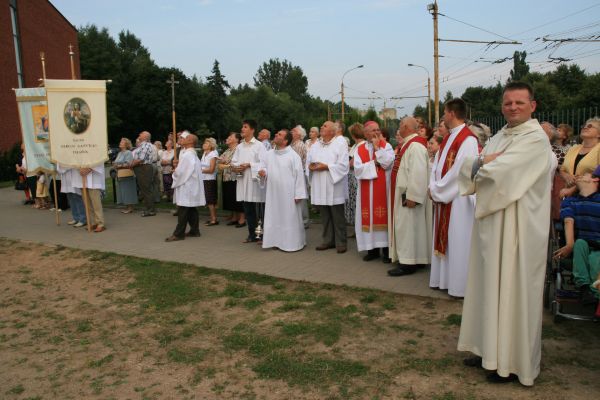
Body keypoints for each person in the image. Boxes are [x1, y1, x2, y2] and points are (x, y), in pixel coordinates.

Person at [457, 81, 554, 386]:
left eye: (519, 103)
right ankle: (487, 350)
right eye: (508, 103)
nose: (512, 107)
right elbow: (475, 166)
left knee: (513, 290)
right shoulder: (500, 135)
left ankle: (510, 363)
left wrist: (483, 162)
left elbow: (499, 173)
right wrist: (484, 161)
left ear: (533, 105)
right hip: (493, 224)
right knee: (487, 287)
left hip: (518, 229)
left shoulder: (535, 139)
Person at [428, 98, 479, 298]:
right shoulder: (449, 137)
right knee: (446, 239)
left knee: (457, 240)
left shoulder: (468, 139)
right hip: (444, 196)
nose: (443, 117)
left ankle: (458, 286)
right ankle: (443, 280)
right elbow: (437, 165)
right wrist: (433, 185)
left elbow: (461, 172)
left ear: (451, 113)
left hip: (458, 199)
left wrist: (437, 190)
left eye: (444, 113)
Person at [388, 117, 431, 276]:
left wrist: (413, 196)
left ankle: (407, 263)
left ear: (405, 126)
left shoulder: (415, 146)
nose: (398, 128)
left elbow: (418, 172)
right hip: (404, 194)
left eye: (400, 125)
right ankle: (415, 259)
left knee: (408, 229)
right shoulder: (409, 144)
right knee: (411, 229)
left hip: (409, 197)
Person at [554, 166, 600, 306]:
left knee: (594, 258)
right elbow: (568, 221)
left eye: (585, 175)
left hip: (598, 245)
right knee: (580, 243)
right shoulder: (570, 202)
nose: (578, 175)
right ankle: (585, 288)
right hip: (581, 245)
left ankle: (593, 292)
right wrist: (569, 244)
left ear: (595, 180)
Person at [259, 129, 307, 252]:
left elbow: (299, 176)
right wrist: (263, 172)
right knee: (274, 216)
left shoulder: (293, 156)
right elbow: (263, 167)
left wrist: (299, 194)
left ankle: (293, 243)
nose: (275, 134)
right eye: (277, 133)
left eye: (279, 134)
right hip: (273, 193)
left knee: (289, 217)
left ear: (285, 141)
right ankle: (275, 241)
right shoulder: (269, 154)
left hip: (289, 194)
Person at [353, 121, 394, 263]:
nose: (377, 132)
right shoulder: (360, 149)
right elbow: (357, 170)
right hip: (366, 191)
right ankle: (372, 250)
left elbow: (388, 163)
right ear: (366, 133)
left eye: (378, 129)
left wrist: (378, 149)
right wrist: (374, 163)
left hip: (383, 191)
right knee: (368, 219)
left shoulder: (386, 146)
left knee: (385, 219)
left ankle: (387, 251)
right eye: (373, 130)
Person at [306, 120, 349, 253]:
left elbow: (343, 165)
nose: (321, 127)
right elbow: (309, 160)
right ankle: (327, 240)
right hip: (319, 183)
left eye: (324, 126)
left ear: (333, 131)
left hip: (333, 184)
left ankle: (341, 242)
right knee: (324, 215)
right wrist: (310, 167)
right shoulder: (316, 144)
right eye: (322, 125)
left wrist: (326, 166)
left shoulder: (340, 142)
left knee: (337, 215)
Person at [231, 119, 267, 243]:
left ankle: (261, 235)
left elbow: (264, 163)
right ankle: (251, 234)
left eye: (245, 127)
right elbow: (234, 161)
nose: (242, 129)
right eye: (242, 127)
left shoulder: (259, 146)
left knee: (258, 211)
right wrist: (237, 167)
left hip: (255, 183)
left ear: (252, 130)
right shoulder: (240, 146)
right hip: (243, 181)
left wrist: (249, 164)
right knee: (248, 211)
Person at [165, 132, 205, 242]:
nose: (183, 139)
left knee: (183, 209)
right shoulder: (191, 154)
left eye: (186, 137)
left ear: (191, 141)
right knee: (191, 208)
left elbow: (182, 172)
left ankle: (178, 234)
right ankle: (195, 230)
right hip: (190, 184)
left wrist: (175, 172)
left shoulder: (188, 155)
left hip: (187, 185)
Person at [559, 118, 600, 198]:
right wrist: (566, 176)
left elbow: (597, 174)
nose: (585, 127)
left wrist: (572, 189)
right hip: (569, 197)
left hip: (591, 198)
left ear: (599, 134)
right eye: (584, 126)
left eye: (590, 126)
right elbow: (562, 169)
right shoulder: (573, 148)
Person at [218, 132, 246, 227]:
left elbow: (238, 161)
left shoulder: (239, 149)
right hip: (227, 176)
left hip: (235, 177)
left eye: (230, 137)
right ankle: (234, 217)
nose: (228, 138)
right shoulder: (228, 150)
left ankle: (242, 219)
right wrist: (223, 162)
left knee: (237, 198)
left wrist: (226, 163)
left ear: (237, 139)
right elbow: (220, 159)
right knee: (230, 198)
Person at [131, 131, 157, 217]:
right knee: (145, 189)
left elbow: (140, 159)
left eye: (141, 134)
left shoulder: (146, 145)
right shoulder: (143, 145)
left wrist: (130, 165)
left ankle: (150, 210)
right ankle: (149, 208)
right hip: (142, 168)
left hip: (144, 168)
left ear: (145, 136)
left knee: (146, 189)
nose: (139, 135)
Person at [345, 123, 365, 229]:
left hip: (355, 177)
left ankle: (359, 227)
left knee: (357, 204)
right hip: (352, 177)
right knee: (354, 204)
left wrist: (345, 165)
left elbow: (352, 163)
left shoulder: (361, 145)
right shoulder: (355, 145)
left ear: (353, 134)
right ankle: (356, 227)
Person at [76, 163, 106, 232]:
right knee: (87, 203)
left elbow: (99, 159)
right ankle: (93, 222)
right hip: (82, 176)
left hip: (94, 176)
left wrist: (89, 169)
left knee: (96, 203)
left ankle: (100, 223)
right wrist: (79, 168)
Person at [57, 163, 86, 228]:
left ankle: (83, 219)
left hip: (75, 176)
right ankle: (76, 218)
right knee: (70, 198)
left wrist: (66, 165)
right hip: (66, 179)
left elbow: (73, 163)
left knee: (77, 198)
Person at [291, 125, 309, 227]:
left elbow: (295, 162)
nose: (291, 132)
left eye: (293, 131)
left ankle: (304, 221)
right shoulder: (293, 144)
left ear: (299, 134)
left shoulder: (299, 145)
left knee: (300, 197)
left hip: (299, 174)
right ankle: (299, 219)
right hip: (294, 174)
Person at [113, 137, 138, 214]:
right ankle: (127, 206)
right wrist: (115, 164)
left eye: (122, 142)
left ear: (126, 144)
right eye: (120, 142)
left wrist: (119, 165)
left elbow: (128, 164)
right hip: (120, 174)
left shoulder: (128, 152)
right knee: (123, 191)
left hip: (127, 175)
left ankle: (130, 207)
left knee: (128, 191)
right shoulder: (120, 153)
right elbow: (115, 162)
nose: (120, 143)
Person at [201, 137, 219, 226]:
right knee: (209, 200)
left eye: (206, 143)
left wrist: (200, 170)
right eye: (204, 143)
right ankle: (212, 217)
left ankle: (214, 219)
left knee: (210, 200)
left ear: (211, 145)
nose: (204, 144)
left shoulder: (213, 154)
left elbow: (211, 169)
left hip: (210, 179)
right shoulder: (204, 153)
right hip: (204, 178)